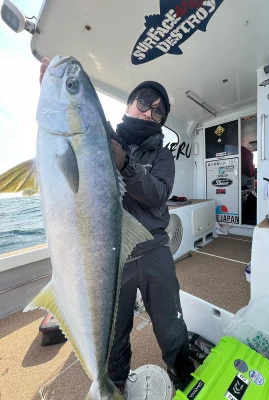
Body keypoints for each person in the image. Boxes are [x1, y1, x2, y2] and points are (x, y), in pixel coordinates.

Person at [40, 58, 195, 394]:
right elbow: (73, 124)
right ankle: (115, 382)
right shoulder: (103, 136)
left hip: (154, 248)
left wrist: (125, 164)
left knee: (170, 322)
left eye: (158, 111)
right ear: (129, 104)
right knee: (115, 330)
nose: (149, 112)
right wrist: (52, 88)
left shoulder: (163, 155)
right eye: (143, 102)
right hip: (115, 255)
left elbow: (157, 194)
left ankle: (183, 372)